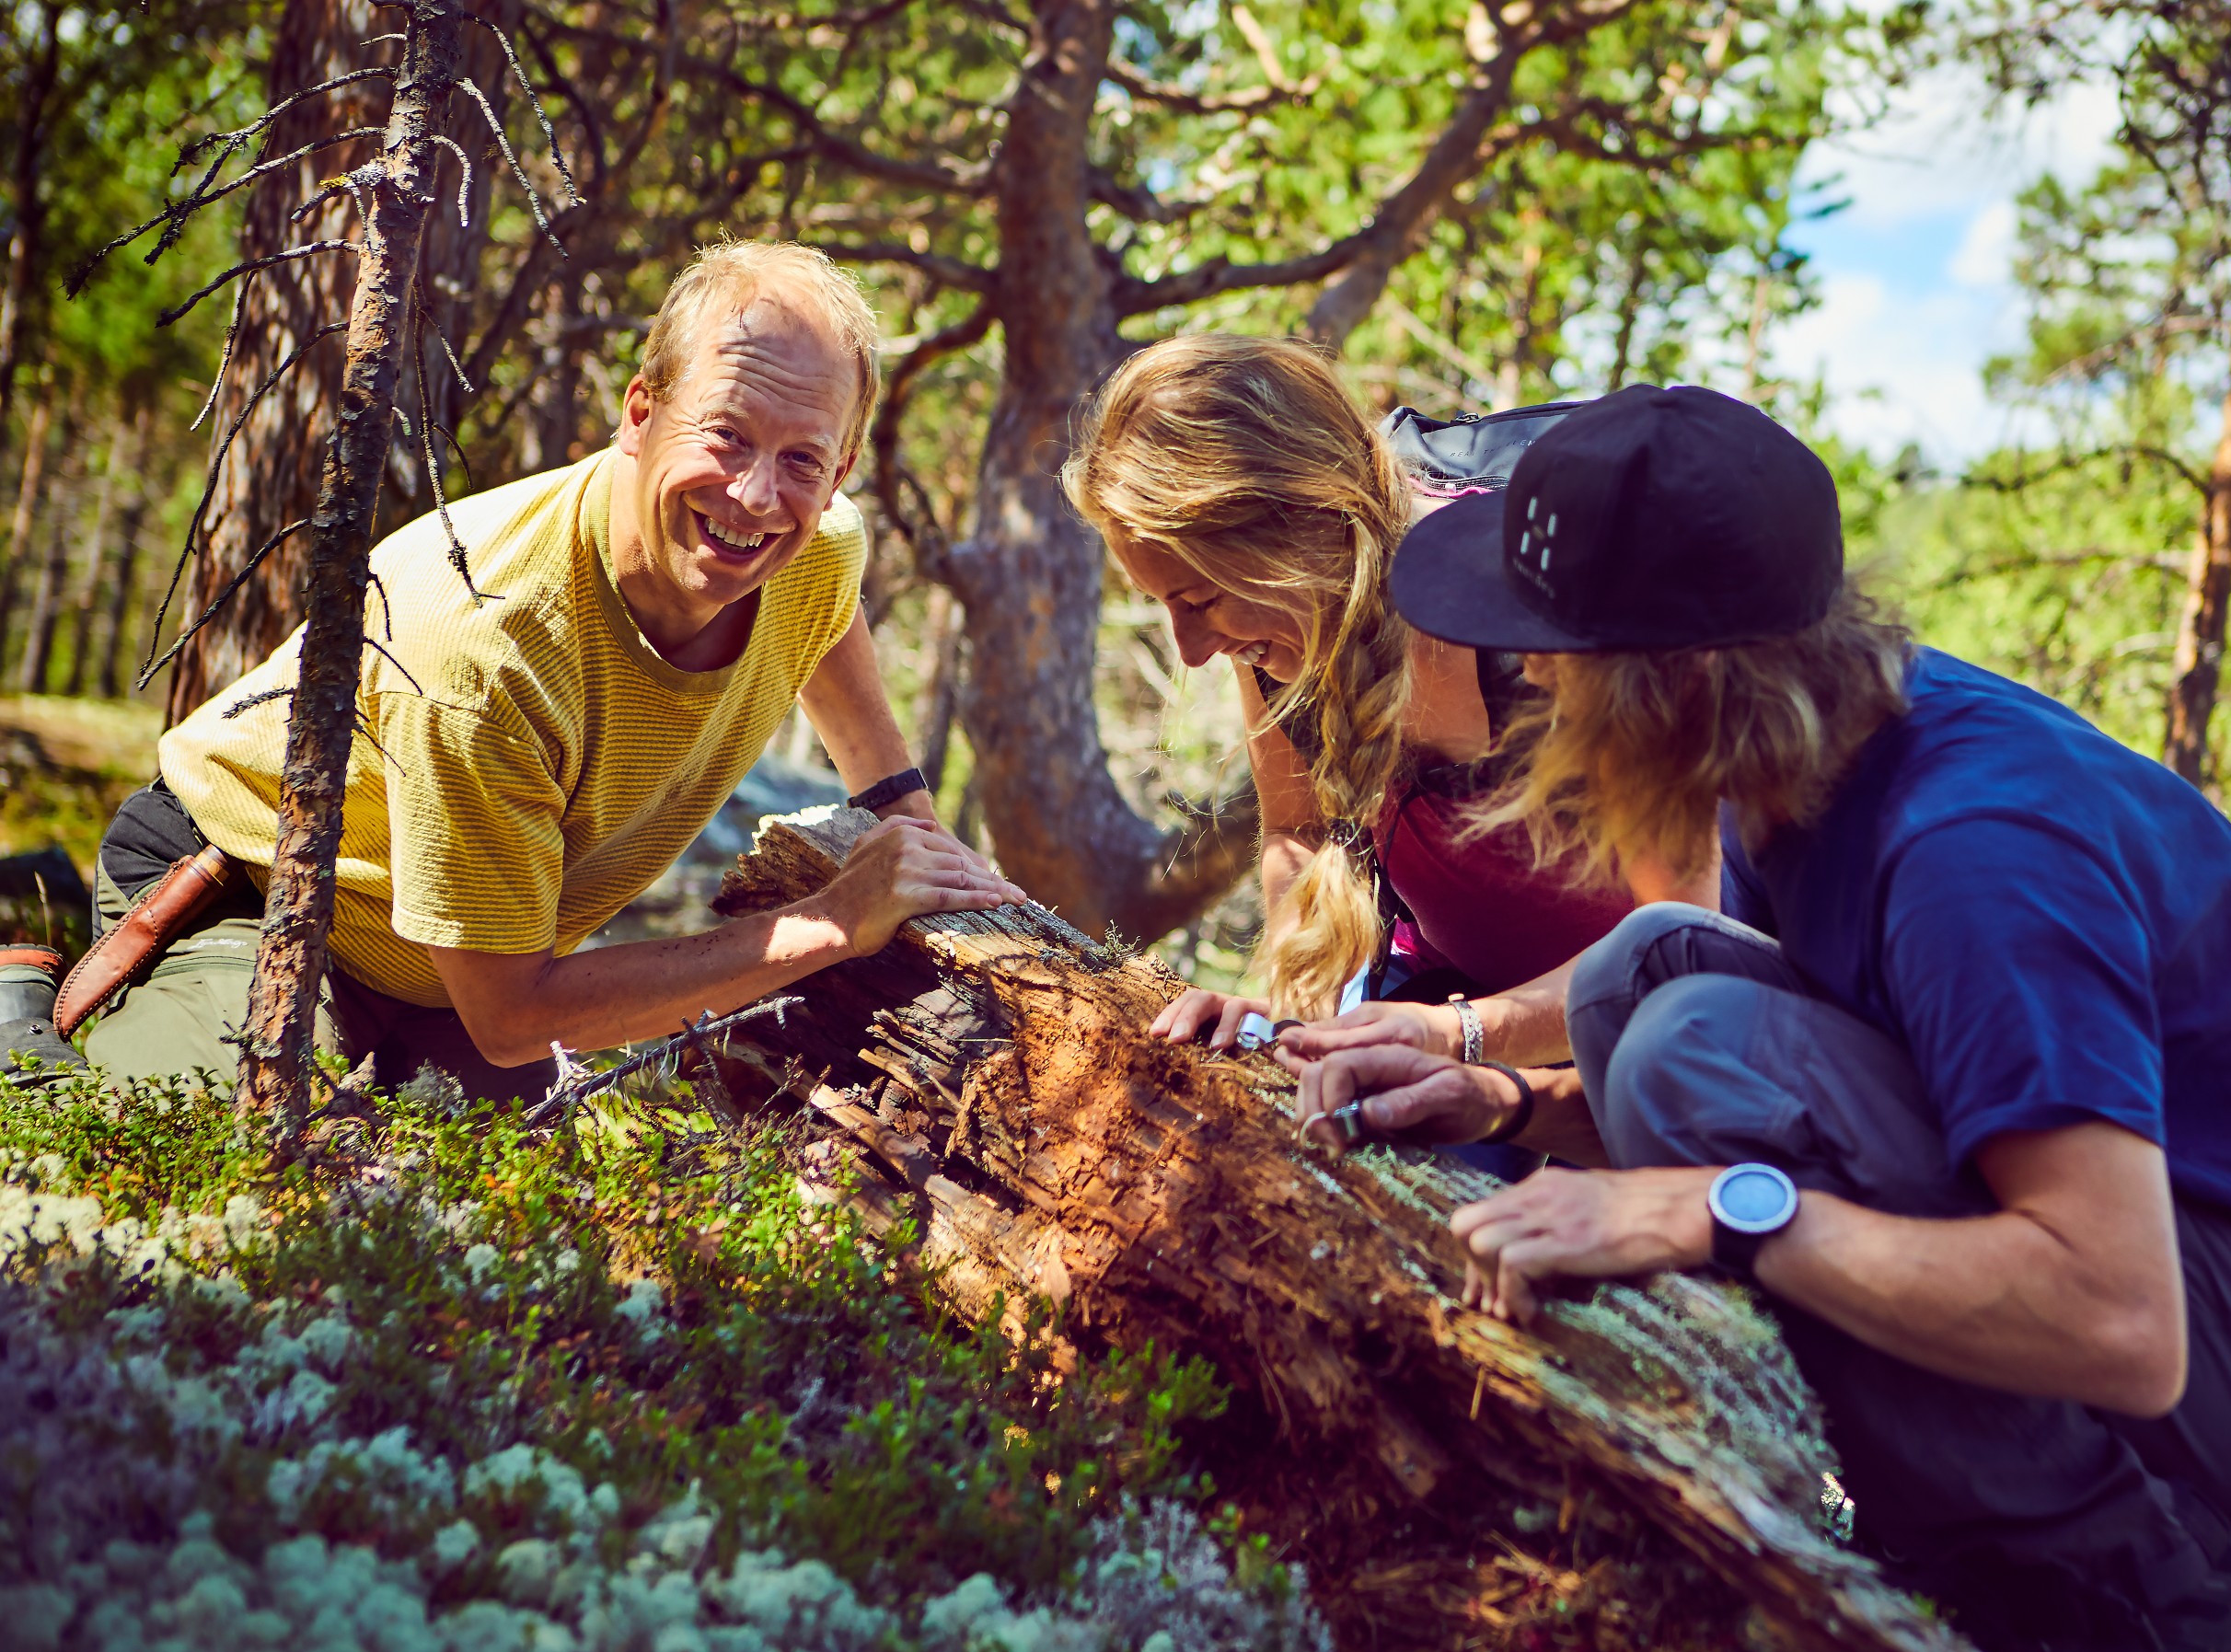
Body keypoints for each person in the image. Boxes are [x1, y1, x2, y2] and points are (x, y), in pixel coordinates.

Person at [1288, 385, 2231, 1652]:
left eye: (1550, 669)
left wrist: (1716, 1213)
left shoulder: (1973, 854)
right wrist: (1508, 1099)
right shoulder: (1790, 760)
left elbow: (2121, 1321)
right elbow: (1848, 1099)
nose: (1530, 706)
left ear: (1670, 679)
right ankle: (2000, 1532)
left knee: (1690, 1031)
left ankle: (2141, 1610)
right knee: (1649, 978)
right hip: (2213, 1289)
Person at [0, 239, 1021, 1100]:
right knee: (208, 1192)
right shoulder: (489, 643)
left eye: (805, 458)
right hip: (264, 894)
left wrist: (902, 815)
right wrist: (832, 921)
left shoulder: (817, 542)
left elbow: (824, 607)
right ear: (639, 410)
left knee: (485, 1246)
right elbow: (515, 1014)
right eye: (726, 434)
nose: (757, 496)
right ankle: (22, 1028)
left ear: (841, 469)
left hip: (462, 969)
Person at [1058, 336, 1709, 1146]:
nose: (1189, 648)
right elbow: (1299, 834)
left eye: (1200, 597)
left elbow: (1687, 934)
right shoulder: (1278, 625)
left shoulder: (1542, 603)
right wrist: (1297, 1023)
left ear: (1305, 529)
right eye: (1164, 601)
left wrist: (1466, 1038)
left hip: (1674, 1028)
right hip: (1447, 996)